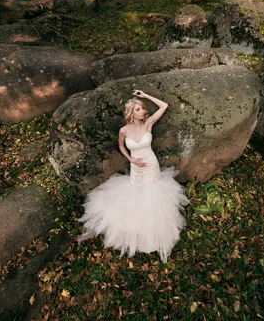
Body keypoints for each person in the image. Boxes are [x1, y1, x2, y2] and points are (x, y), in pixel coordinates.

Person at [78, 90, 189, 263]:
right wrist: (130, 159)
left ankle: (154, 231)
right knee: (136, 193)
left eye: (143, 109)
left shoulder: (148, 124)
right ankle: (135, 228)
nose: (143, 112)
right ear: (131, 112)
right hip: (136, 166)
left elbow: (164, 106)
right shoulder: (124, 130)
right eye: (138, 109)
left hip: (151, 165)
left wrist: (145, 96)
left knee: (153, 194)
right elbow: (122, 147)